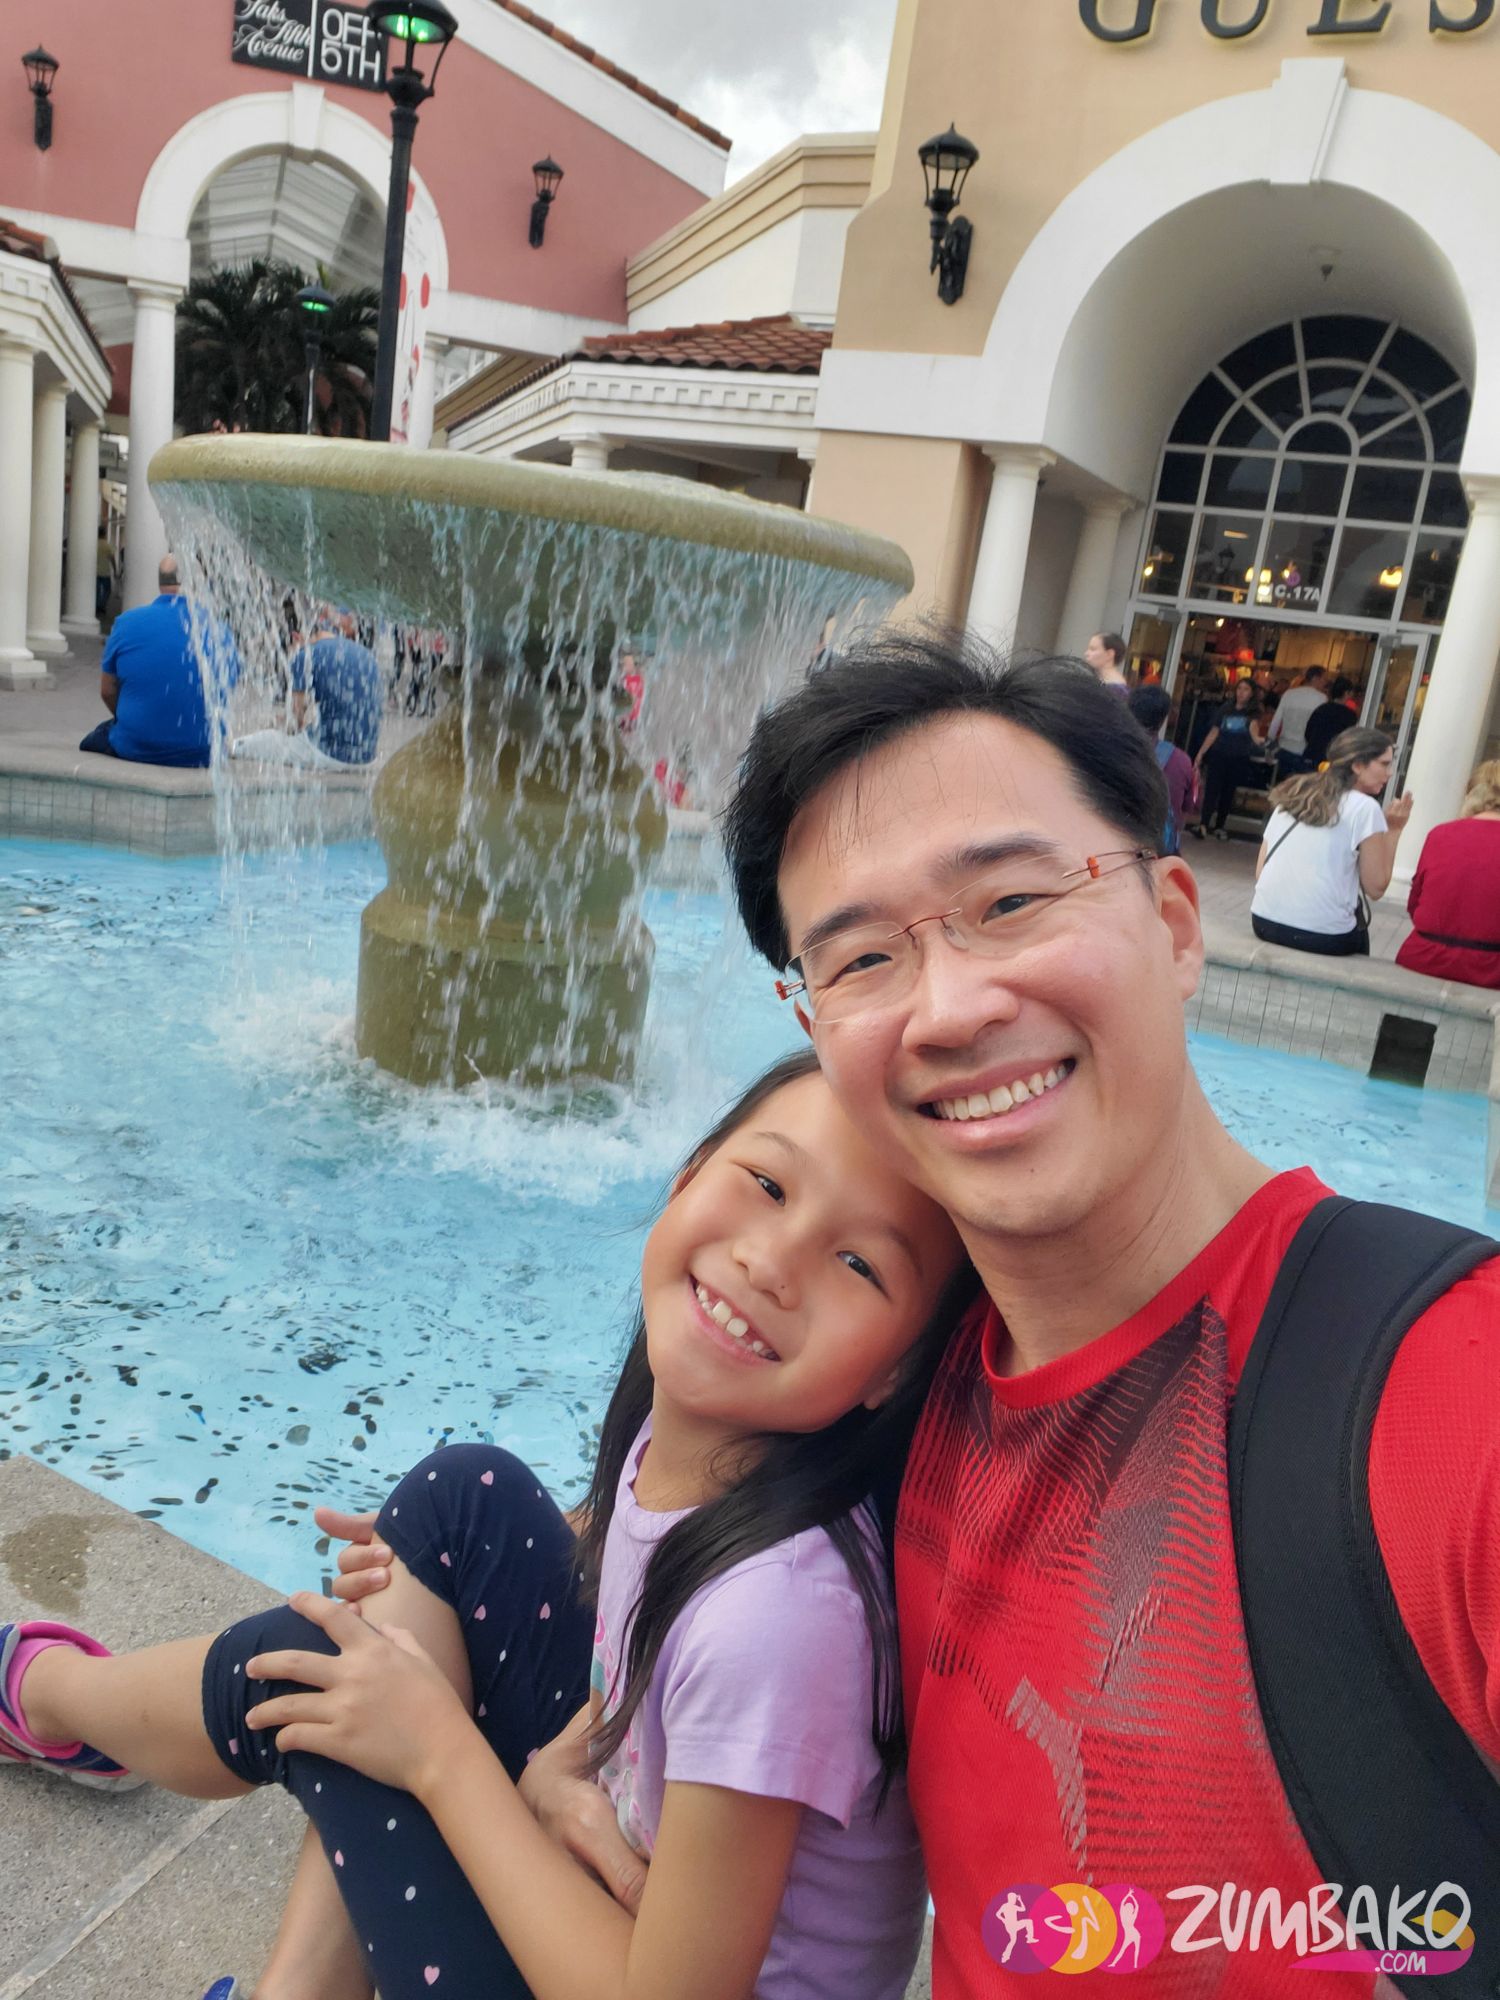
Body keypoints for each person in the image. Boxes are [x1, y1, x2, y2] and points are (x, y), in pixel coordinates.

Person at [471, 630, 1497, 1999]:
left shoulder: (1452, 1399)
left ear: (1175, 924)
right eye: (861, 959)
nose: (949, 1008)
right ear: (814, 1027)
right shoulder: (895, 1366)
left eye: (1009, 901)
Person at [1, 1051, 971, 2000]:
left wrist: (437, 1749)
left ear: (897, 1369)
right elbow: (644, 1636)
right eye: (766, 1183)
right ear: (688, 1173)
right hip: (631, 1875)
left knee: (327, 1668)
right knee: (463, 1505)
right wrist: (545, 1753)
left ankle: (45, 1696)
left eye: (858, 1263)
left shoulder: (777, 1616)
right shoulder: (711, 1455)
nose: (773, 1261)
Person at [1250, 725, 1411, 957]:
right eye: (1384, 764)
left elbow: (1260, 871)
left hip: (1263, 921)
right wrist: (1394, 830)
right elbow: (1376, 888)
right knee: (1357, 931)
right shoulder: (1365, 808)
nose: (1390, 773)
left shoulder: (1293, 792)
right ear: (1358, 765)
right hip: (1323, 936)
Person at [78, 555, 236, 768]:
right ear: (194, 582)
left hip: (136, 745)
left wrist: (136, 719)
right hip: (204, 752)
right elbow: (226, 688)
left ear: (160, 583)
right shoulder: (220, 630)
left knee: (96, 736)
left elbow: (107, 691)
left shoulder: (126, 623)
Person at [1395, 757, 1500, 988]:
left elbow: (1415, 902)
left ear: (1471, 794)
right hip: (1491, 969)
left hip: (1425, 956)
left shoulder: (1440, 834)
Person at [232, 609, 382, 768]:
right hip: (367, 757)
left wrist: (276, 722)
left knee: (261, 741)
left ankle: (230, 747)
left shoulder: (304, 655)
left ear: (296, 638)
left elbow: (295, 720)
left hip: (330, 754)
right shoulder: (365, 654)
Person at [1190, 674, 1265, 838]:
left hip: (1238, 756)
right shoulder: (1225, 708)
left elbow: (1254, 731)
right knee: (1212, 789)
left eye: (1246, 689)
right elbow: (1214, 732)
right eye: (1239, 688)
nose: (1241, 692)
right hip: (1219, 754)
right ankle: (1204, 823)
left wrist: (1258, 740)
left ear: (1252, 693)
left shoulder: (1253, 713)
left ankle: (1220, 825)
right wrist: (1201, 753)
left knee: (1228, 791)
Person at [1125, 682, 1196, 854]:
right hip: (1161, 851)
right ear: (1164, 718)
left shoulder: (1111, 751)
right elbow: (1187, 809)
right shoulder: (1182, 761)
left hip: (1118, 847)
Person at [1265, 665, 1328, 781]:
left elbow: (1275, 722)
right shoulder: (1322, 699)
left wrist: (1269, 747)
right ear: (1315, 678)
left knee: (1281, 785)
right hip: (1305, 752)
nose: (1325, 683)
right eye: (1324, 679)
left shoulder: (1289, 694)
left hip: (1284, 748)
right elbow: (1320, 729)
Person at [1300, 673, 1360, 768]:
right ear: (1346, 693)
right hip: (1330, 759)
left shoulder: (1321, 708)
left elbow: (1308, 732)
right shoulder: (1349, 715)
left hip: (1311, 754)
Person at [1082, 630, 1130, 695]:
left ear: (1109, 654)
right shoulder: (1096, 680)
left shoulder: (1117, 690)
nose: (1086, 653)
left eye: (1093, 649)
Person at [94, 532, 116, 621]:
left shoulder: (94, 544)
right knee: (107, 590)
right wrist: (115, 569)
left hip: (95, 571)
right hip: (105, 572)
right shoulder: (107, 545)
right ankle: (101, 606)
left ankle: (96, 606)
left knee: (97, 590)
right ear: (104, 535)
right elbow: (112, 558)